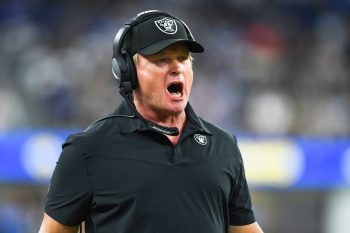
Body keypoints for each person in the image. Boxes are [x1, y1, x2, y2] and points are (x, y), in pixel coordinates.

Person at [38, 10, 264, 233]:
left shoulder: (223, 146)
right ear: (128, 71)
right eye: (161, 59)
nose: (176, 68)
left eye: (183, 58)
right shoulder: (87, 150)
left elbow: (244, 228)